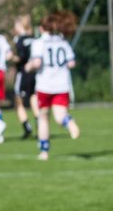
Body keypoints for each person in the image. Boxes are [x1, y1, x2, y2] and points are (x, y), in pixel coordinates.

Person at [25, 10, 81, 161]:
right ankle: (69, 122)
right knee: (60, 115)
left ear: (42, 28)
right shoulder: (62, 42)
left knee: (43, 117)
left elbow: (37, 63)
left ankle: (44, 151)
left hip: (45, 85)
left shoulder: (38, 43)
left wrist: (28, 66)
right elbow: (71, 63)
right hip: (62, 84)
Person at [11, 14, 38, 139]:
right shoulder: (33, 38)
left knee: (18, 101)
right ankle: (38, 121)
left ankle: (27, 126)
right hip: (34, 73)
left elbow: (21, 57)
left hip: (23, 73)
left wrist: (11, 58)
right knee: (33, 97)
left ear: (20, 25)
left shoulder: (20, 40)